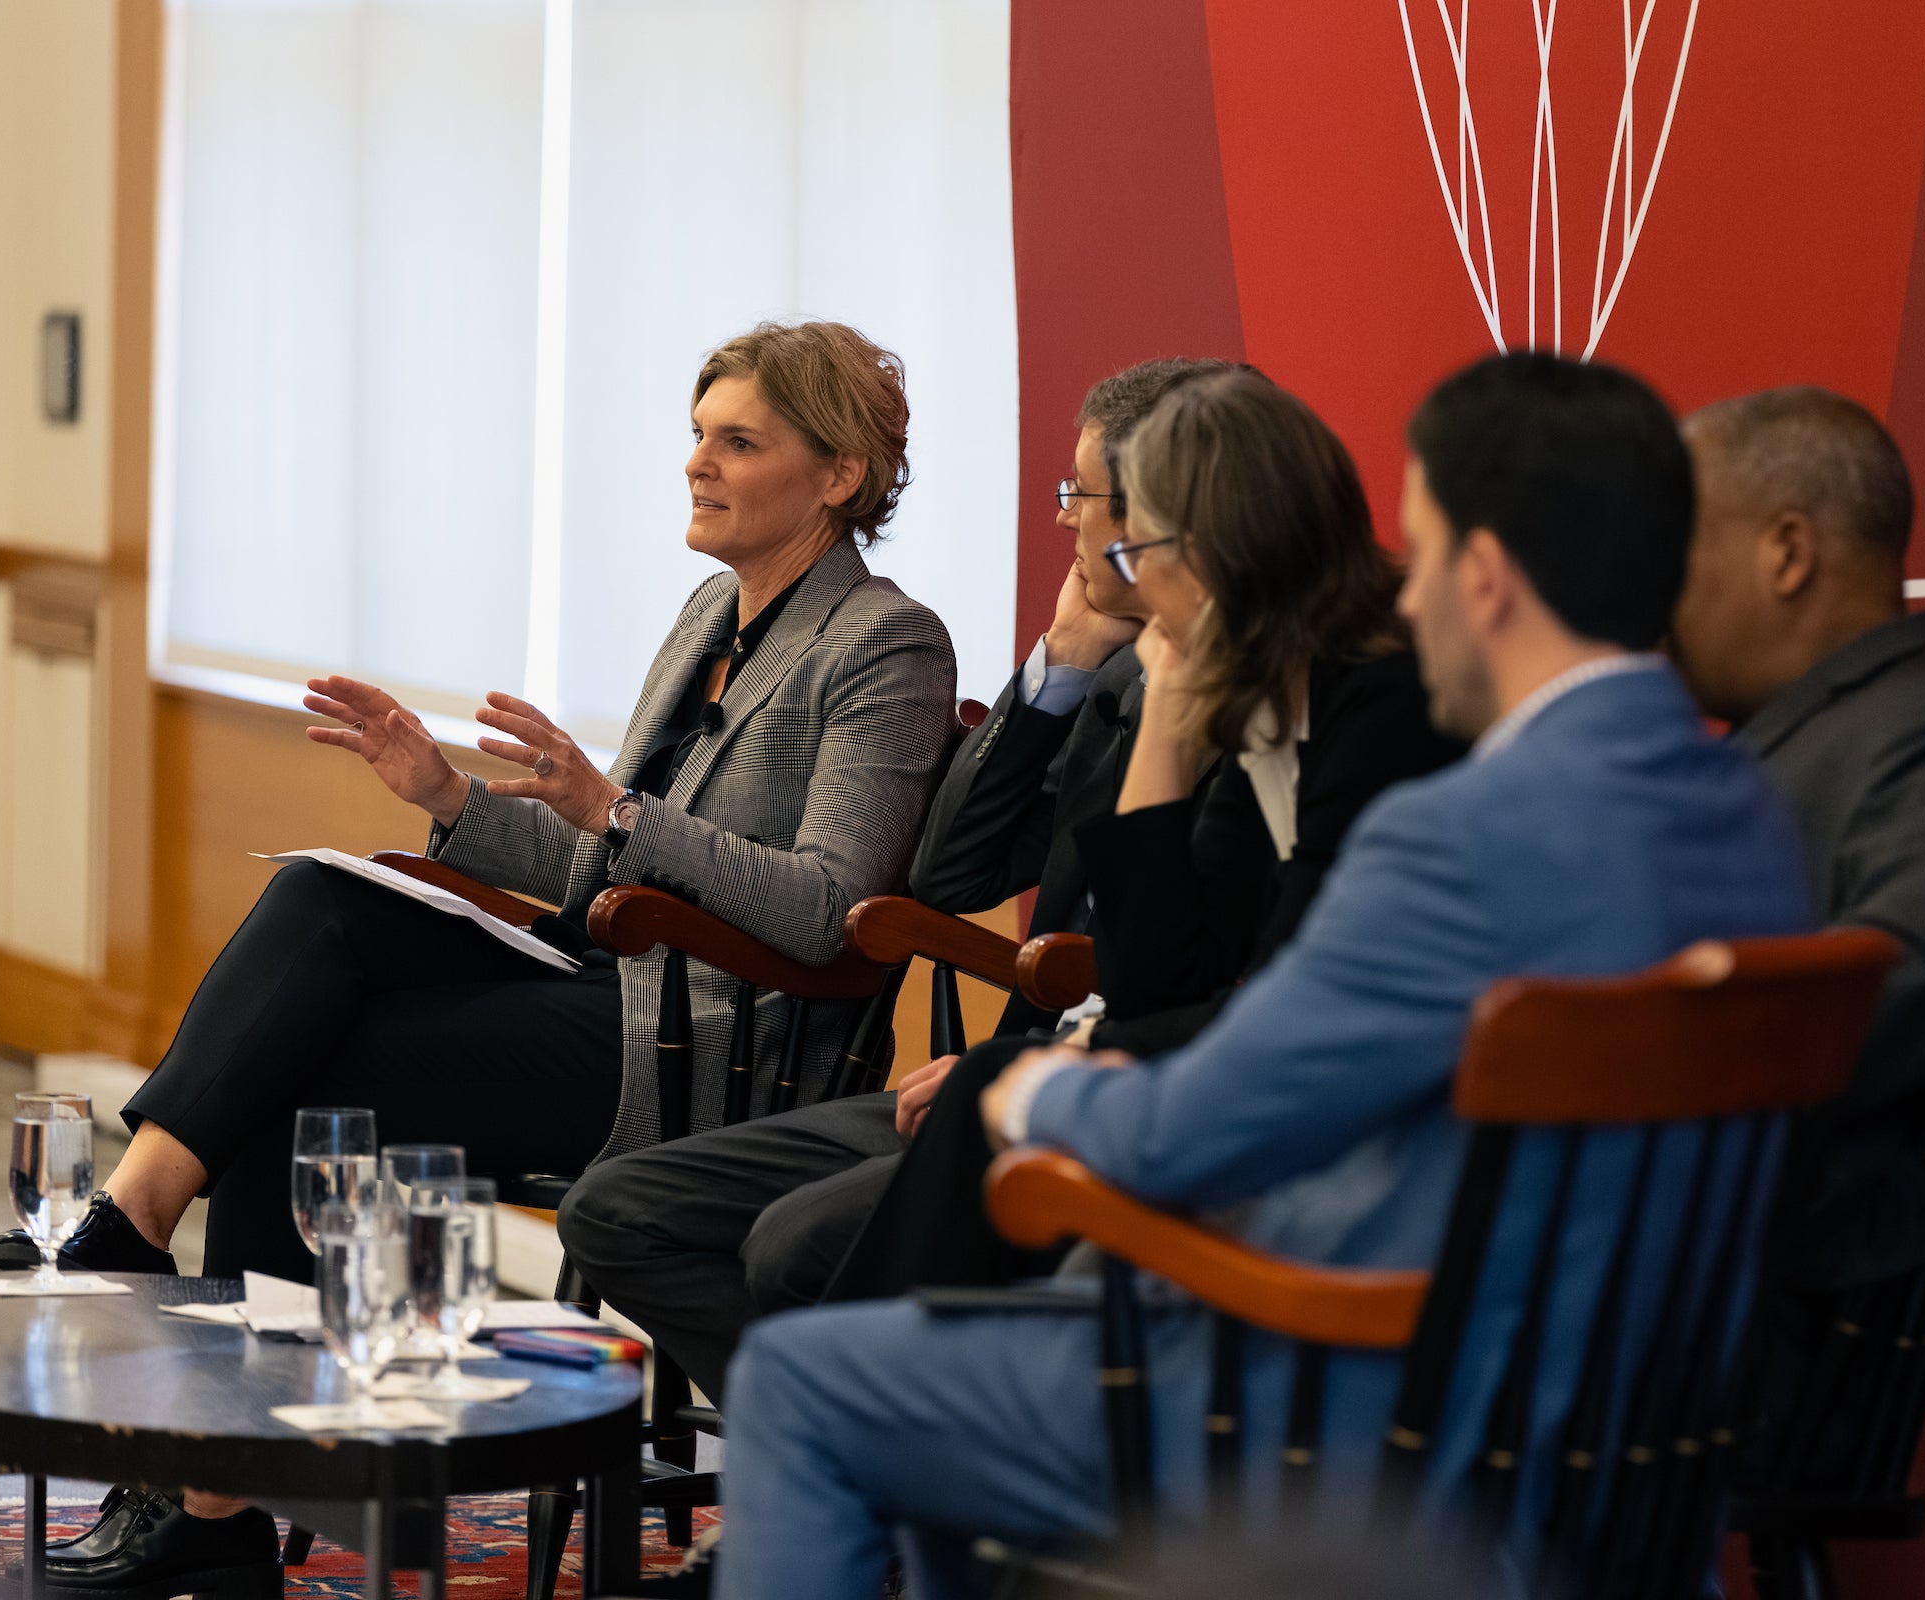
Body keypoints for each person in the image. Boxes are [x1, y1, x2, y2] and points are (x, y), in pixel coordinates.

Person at [709, 353, 1813, 1600]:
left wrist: (1025, 1100)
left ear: (1490, 581)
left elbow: (1183, 1134)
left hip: (1363, 1401)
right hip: (1622, 1430)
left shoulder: (1455, 831)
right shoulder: (1751, 817)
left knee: (809, 1381)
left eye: (1430, 549)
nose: (1413, 591)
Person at [0, 319, 957, 1598]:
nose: (697, 465)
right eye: (696, 436)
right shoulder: (710, 613)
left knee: (292, 1084)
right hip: (603, 981)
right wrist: (445, 795)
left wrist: (614, 806)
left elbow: (829, 907)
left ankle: (188, 1423)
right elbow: (604, 881)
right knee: (333, 907)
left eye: (738, 441)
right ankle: (164, 1320)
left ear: (837, 476)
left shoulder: (888, 643)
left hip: (713, 1038)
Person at [554, 358, 1241, 1409]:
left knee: (786, 1244)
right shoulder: (1112, 677)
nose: (1062, 523)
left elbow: (848, 903)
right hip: (1024, 1065)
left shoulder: (898, 637)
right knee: (613, 1208)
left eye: (1080, 499)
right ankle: (850, 1464)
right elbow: (951, 867)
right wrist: (1059, 660)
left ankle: (851, 1473)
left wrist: (1064, 1058)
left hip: (1073, 1083)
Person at [823, 369, 1466, 1305]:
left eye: (1136, 544)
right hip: (1216, 1074)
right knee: (980, 1101)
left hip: (1332, 1141)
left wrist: (1076, 1057)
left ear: (1205, 550)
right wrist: (1167, 704)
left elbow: (1290, 993)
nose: (1108, 559)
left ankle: (862, 1397)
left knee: (987, 1099)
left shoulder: (1381, 706)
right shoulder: (1249, 681)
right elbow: (1146, 967)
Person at [1666, 385, 1925, 1475]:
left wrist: (1611, 1071)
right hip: (1648, 1271)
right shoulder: (1756, 750)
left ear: (1788, 552)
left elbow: (1920, 962)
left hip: (1749, 1317)